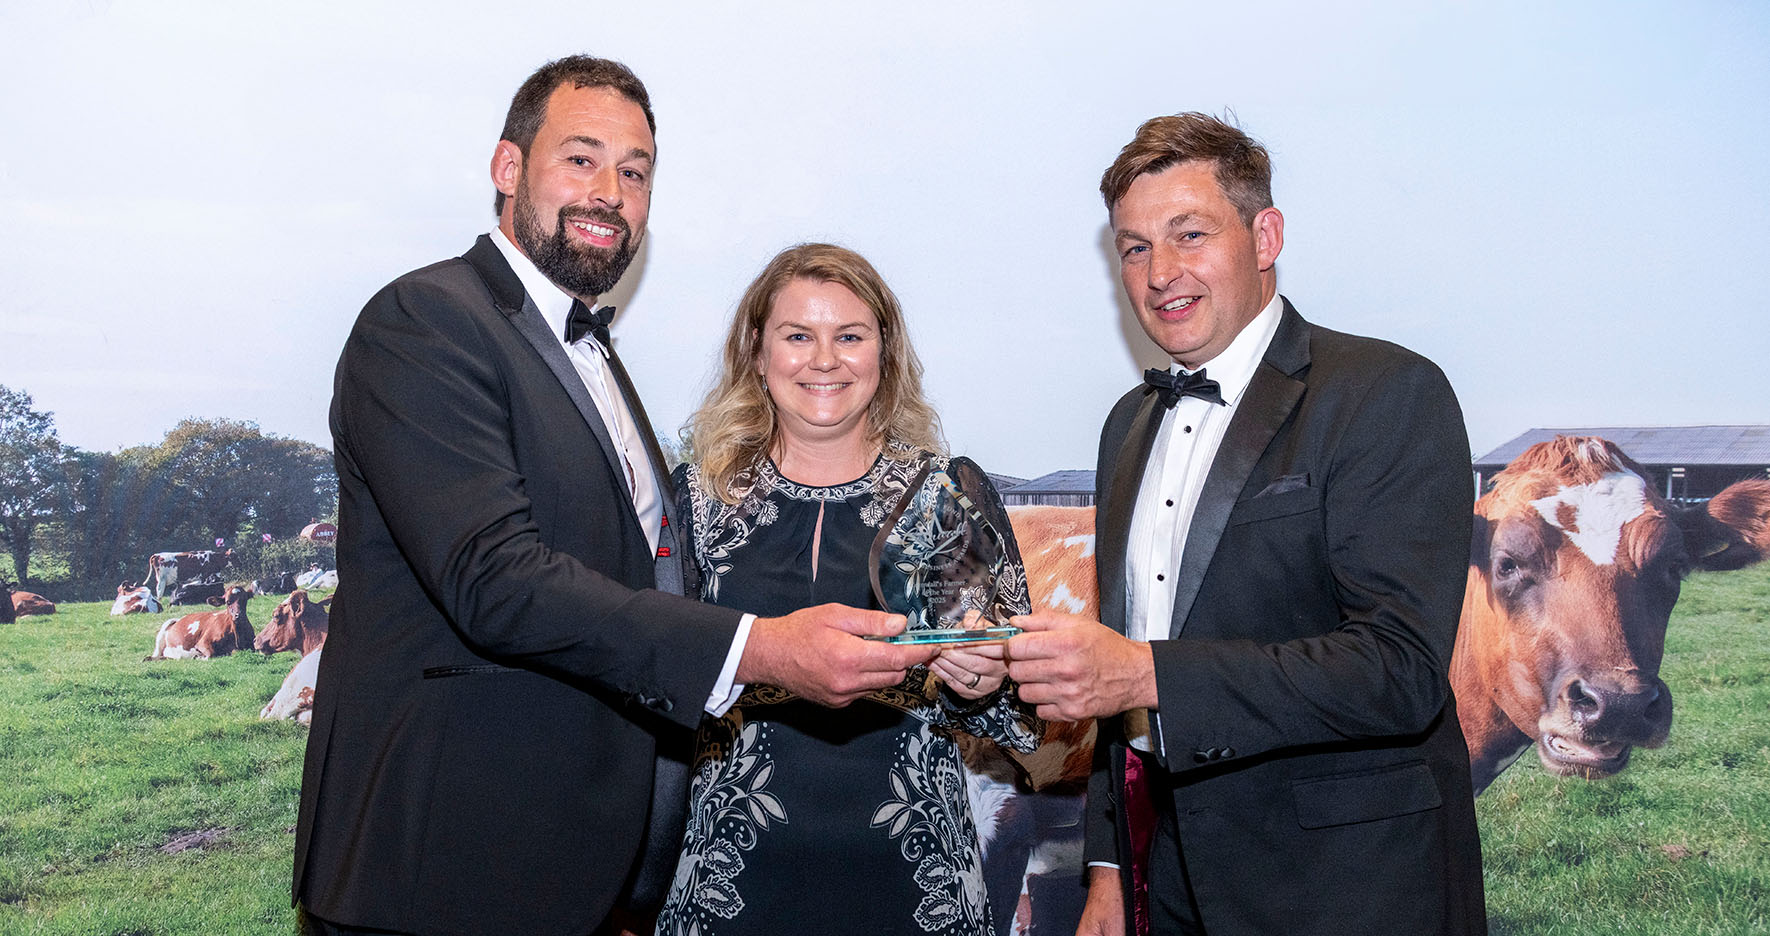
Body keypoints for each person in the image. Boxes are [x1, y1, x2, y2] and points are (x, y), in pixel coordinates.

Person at [293, 57, 938, 936]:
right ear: (508, 167)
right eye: (581, 159)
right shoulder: (425, 322)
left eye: (635, 173)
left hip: (571, 873)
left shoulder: (593, 353)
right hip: (441, 869)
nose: (609, 192)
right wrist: (761, 648)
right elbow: (494, 579)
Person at [999, 114, 1487, 935]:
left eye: (1189, 234)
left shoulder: (1386, 391)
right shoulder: (1128, 425)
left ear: (1266, 237)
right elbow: (1123, 682)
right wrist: (1112, 870)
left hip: (1346, 893)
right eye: (1134, 248)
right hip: (1169, 883)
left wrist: (1147, 676)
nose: (1161, 273)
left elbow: (1398, 669)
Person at [654, 243, 1040, 936]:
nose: (825, 360)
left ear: (884, 353)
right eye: (799, 336)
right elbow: (650, 678)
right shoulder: (695, 502)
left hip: (918, 890)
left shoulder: (940, 497)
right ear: (757, 350)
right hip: (729, 885)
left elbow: (1020, 719)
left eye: (851, 336)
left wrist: (985, 682)